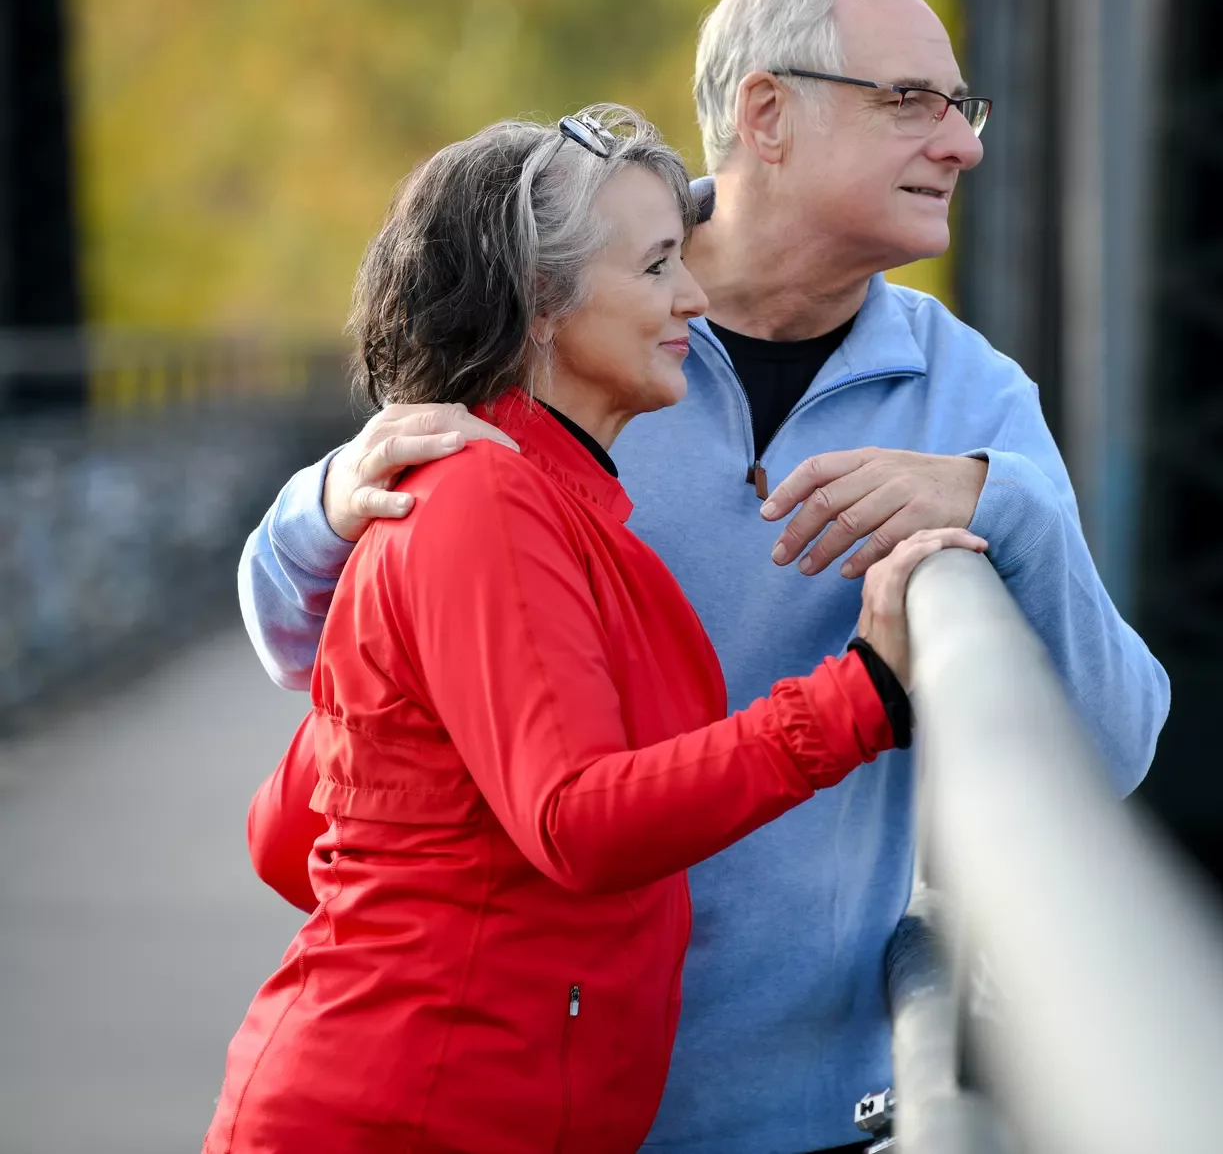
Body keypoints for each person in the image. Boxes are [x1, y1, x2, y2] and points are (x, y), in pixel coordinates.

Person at [238, 0, 1171, 1154]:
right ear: (766, 111)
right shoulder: (569, 315)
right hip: (514, 1086)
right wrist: (326, 494)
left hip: (791, 1109)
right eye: (911, 102)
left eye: (962, 106)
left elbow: (1111, 750)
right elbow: (327, 661)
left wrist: (1005, 507)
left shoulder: (970, 398)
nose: (963, 143)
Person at [207, 104, 983, 1154]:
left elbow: (290, 833)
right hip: (414, 1118)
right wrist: (866, 696)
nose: (695, 298)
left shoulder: (529, 501)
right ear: (539, 302)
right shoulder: (486, 502)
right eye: (659, 265)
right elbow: (575, 818)